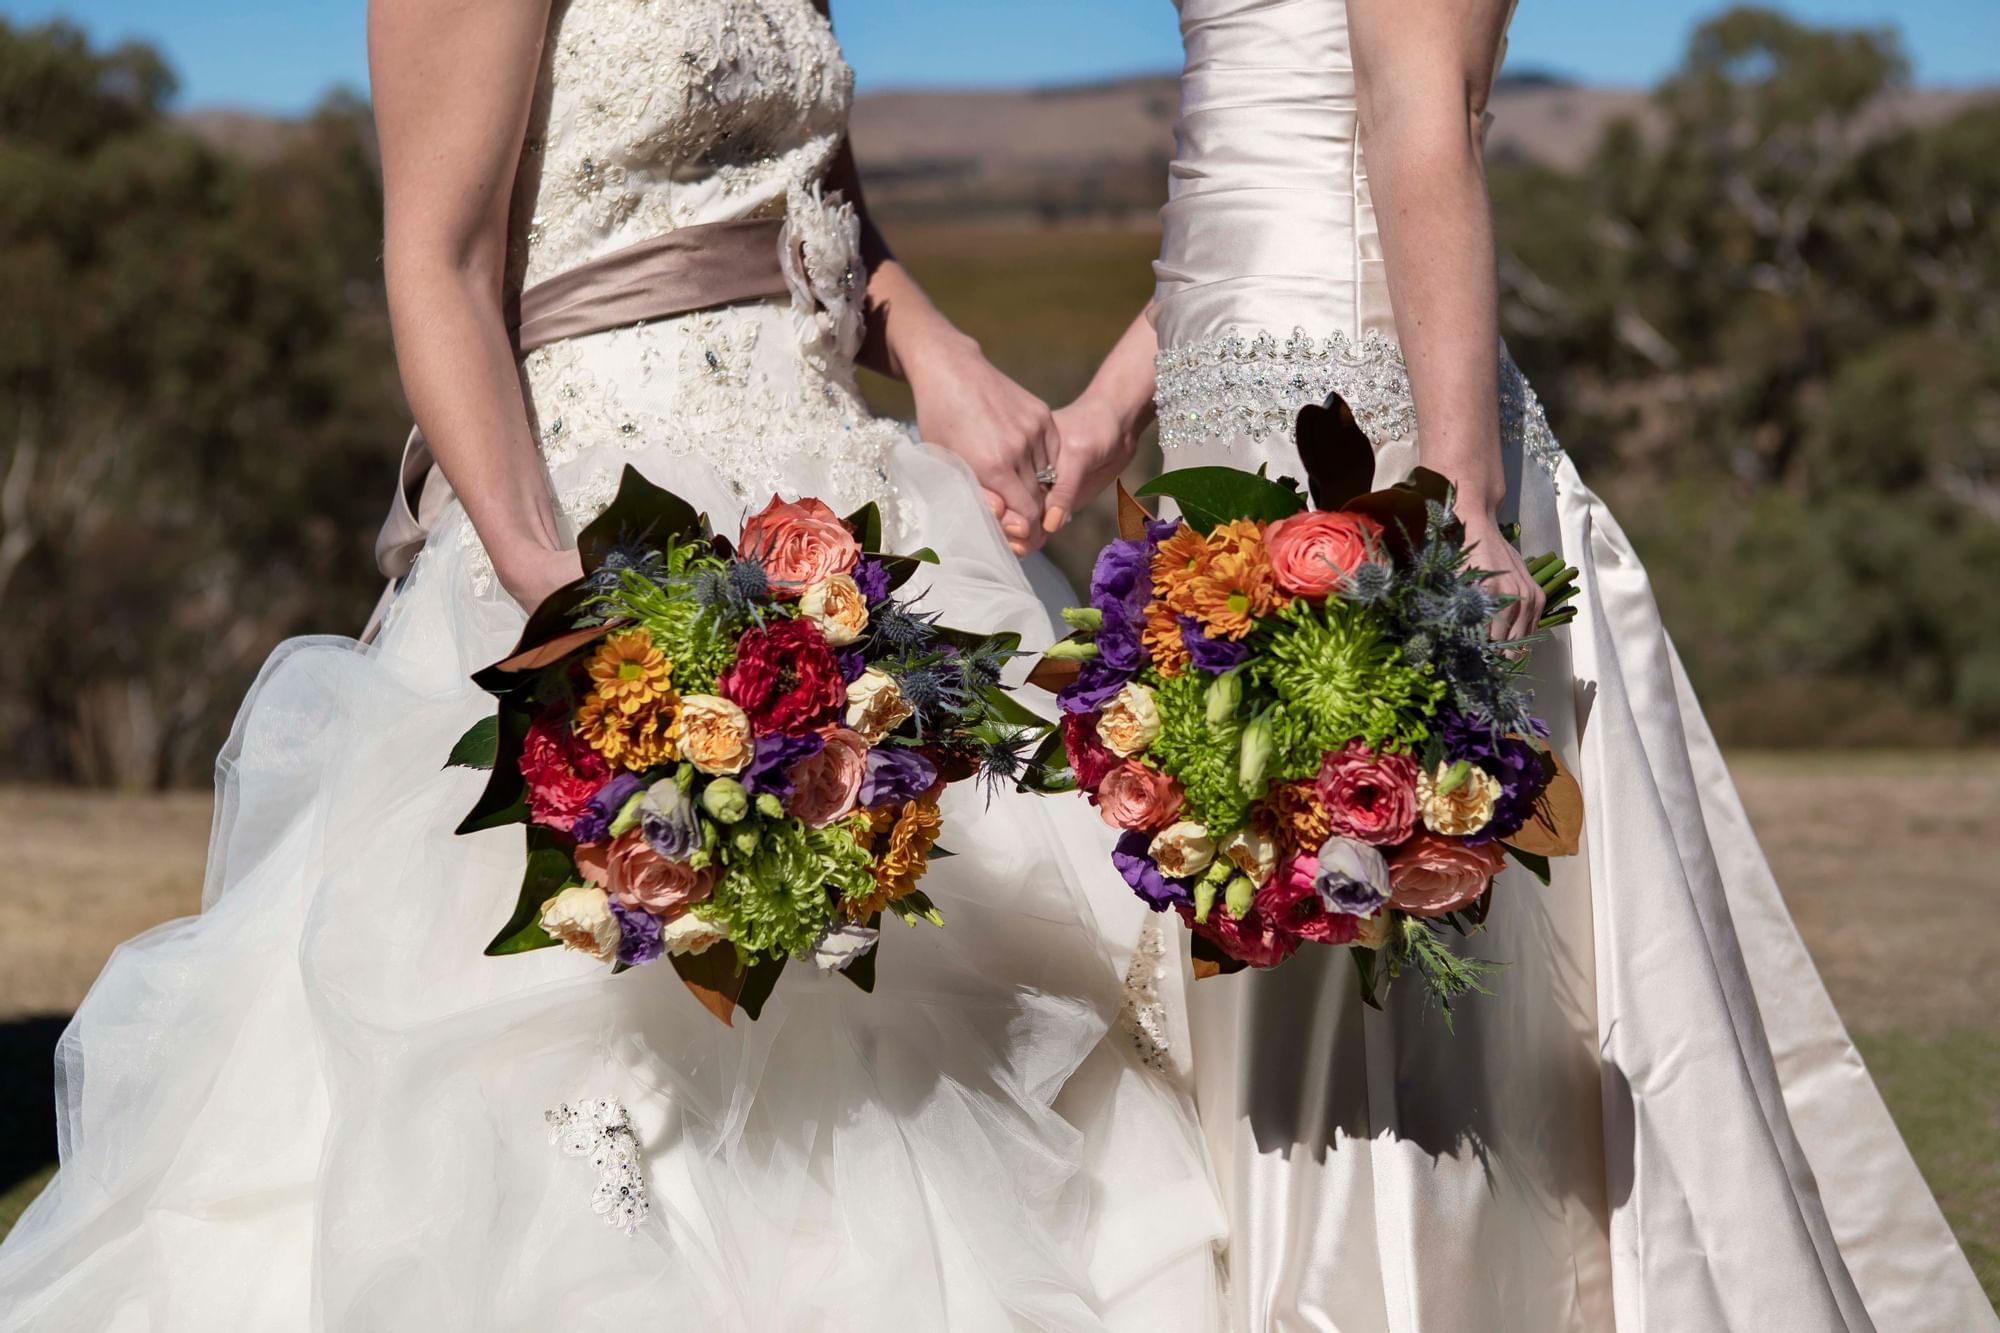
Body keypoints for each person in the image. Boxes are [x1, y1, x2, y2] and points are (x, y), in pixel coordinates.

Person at [0, 2, 1226, 1328]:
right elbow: (439, 264)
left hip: (844, 519)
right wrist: (581, 614)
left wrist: (936, 351)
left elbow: (808, 199)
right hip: (607, 516)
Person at [1051, 1, 1995, 1329]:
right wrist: (1113, 403)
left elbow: (1422, 118)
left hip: (1358, 432)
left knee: (1386, 949)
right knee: (1257, 926)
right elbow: (1256, 147)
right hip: (1232, 410)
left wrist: (1456, 487)